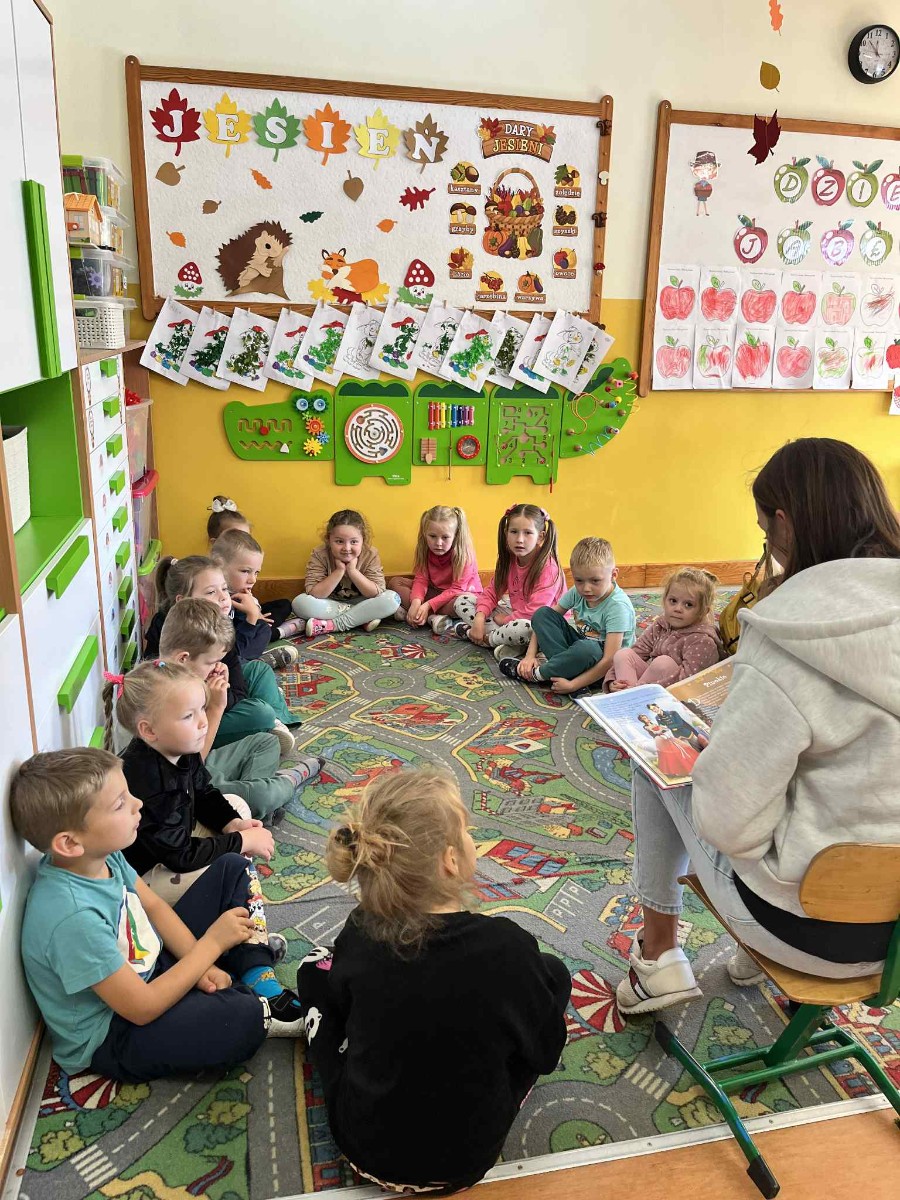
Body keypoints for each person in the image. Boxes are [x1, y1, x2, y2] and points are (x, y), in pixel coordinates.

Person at [617, 438, 900, 1016]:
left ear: (785, 523)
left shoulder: (788, 636)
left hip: (812, 929)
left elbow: (729, 824)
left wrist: (714, 757)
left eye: (764, 533)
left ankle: (660, 956)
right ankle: (750, 956)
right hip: (895, 940)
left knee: (655, 754)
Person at [296, 767, 571, 1193]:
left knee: (313, 969)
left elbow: (350, 1011)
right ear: (450, 860)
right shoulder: (509, 948)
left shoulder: (360, 931)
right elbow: (546, 1054)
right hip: (468, 1158)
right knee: (553, 974)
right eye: (467, 832)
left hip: (366, 1150)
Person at [11, 748, 305, 1083]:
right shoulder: (73, 919)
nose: (138, 803)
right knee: (242, 1015)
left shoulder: (100, 856)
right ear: (70, 843)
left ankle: (254, 972)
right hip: (116, 1031)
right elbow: (142, 1007)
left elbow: (154, 907)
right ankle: (243, 983)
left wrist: (202, 965)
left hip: (149, 963)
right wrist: (210, 947)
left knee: (233, 868)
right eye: (120, 804)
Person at [109, 660, 274, 904]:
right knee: (228, 868)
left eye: (202, 709)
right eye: (189, 716)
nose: (203, 722)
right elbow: (182, 857)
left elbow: (203, 792)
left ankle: (233, 882)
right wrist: (242, 841)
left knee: (235, 806)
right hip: (143, 879)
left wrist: (232, 824)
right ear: (150, 731)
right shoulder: (149, 781)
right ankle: (235, 904)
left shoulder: (179, 746)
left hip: (174, 845)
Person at [158, 599, 321, 822]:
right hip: (183, 784)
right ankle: (285, 783)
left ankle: (252, 800)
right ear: (183, 659)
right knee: (262, 795)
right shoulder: (167, 700)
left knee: (267, 741)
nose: (216, 667)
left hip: (202, 767)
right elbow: (192, 766)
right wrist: (216, 707)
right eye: (211, 662)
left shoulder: (183, 679)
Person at [144, 555, 298, 752]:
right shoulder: (171, 636)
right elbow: (183, 709)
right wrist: (218, 693)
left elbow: (238, 690)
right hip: (193, 724)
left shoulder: (217, 624)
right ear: (183, 601)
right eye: (211, 592)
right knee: (260, 713)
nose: (224, 597)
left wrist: (226, 688)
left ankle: (275, 721)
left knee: (259, 670)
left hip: (221, 699)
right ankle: (268, 717)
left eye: (224, 589)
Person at [501, 537, 636, 695]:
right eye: (579, 580)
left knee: (588, 649)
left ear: (613, 575)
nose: (586, 588)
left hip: (606, 668)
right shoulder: (577, 592)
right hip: (582, 650)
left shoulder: (618, 607)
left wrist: (572, 685)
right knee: (542, 614)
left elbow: (609, 659)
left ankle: (538, 675)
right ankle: (566, 672)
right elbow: (545, 619)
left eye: (595, 581)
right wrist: (529, 656)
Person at [437, 503, 564, 661]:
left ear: (541, 537)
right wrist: (480, 617)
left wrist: (505, 620)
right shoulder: (509, 559)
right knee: (462, 601)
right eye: (514, 532)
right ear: (506, 533)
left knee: (525, 628)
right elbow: (492, 591)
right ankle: (505, 640)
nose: (520, 539)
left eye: (528, 533)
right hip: (513, 618)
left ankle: (488, 639)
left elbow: (535, 613)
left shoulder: (548, 568)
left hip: (543, 627)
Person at [606, 567, 721, 691]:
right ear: (665, 600)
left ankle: (631, 695)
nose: (678, 609)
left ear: (703, 611)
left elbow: (688, 682)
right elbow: (637, 651)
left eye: (688, 605)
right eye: (673, 601)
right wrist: (612, 681)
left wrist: (637, 688)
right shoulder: (661, 624)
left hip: (680, 691)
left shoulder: (703, 640)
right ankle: (624, 694)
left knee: (662, 663)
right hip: (651, 684)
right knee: (623, 654)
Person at [291, 510, 401, 637]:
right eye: (339, 541)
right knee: (299, 603)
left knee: (393, 599)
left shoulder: (370, 554)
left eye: (354, 542)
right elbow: (315, 593)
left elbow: (376, 592)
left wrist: (352, 571)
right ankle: (362, 618)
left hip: (363, 601)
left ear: (363, 540)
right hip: (330, 604)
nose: (347, 548)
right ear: (328, 540)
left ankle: (334, 625)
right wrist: (339, 571)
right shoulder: (319, 554)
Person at [205, 496, 298, 632]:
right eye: (235, 536)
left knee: (284, 605)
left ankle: (267, 629)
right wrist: (253, 616)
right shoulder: (211, 579)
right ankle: (273, 632)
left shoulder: (243, 569)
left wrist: (256, 611)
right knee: (260, 628)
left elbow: (251, 601)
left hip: (249, 612)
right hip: (232, 623)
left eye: (246, 537)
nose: (253, 579)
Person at [387, 505, 481, 629]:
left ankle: (423, 615)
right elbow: (421, 580)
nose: (438, 543)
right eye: (432, 536)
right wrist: (416, 602)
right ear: (425, 533)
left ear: (456, 535)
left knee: (462, 603)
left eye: (445, 537)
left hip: (457, 596)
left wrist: (427, 605)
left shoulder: (464, 554)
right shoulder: (424, 549)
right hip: (435, 591)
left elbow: (457, 589)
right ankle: (429, 617)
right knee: (395, 582)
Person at [636, 713, 700, 779]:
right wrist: (661, 729)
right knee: (670, 754)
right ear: (642, 721)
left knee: (680, 748)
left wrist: (664, 728)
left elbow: (664, 729)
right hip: (660, 739)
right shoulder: (646, 727)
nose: (646, 719)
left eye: (646, 717)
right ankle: (681, 771)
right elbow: (655, 733)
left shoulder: (654, 724)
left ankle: (688, 767)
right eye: (644, 719)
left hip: (666, 737)